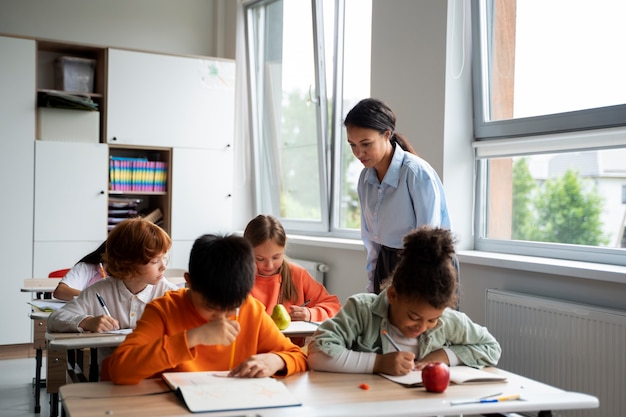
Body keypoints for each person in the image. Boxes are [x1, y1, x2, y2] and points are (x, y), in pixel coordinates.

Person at [105, 234, 308, 385]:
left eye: (231, 309)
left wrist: (276, 360)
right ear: (189, 283)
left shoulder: (251, 309)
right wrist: (192, 337)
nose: (221, 318)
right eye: (210, 307)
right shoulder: (164, 310)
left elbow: (298, 356)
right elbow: (120, 370)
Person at [307, 226, 501, 376]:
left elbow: (491, 348)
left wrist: (443, 357)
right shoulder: (361, 311)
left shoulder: (446, 321)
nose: (423, 326)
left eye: (432, 320)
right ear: (393, 296)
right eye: (413, 316)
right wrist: (378, 363)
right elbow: (317, 353)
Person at [344, 98, 453, 294]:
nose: (359, 152)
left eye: (366, 144)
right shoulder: (365, 178)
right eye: (352, 145)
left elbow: (430, 243)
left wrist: (419, 286)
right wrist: (372, 287)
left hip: (426, 266)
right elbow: (372, 240)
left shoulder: (416, 174)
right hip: (386, 265)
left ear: (387, 134)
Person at [47, 218, 178, 366]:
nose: (163, 266)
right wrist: (87, 322)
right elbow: (55, 319)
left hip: (155, 373)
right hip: (109, 378)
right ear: (129, 262)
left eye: (164, 258)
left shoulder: (170, 294)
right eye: (155, 261)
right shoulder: (100, 291)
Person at [243, 214, 341, 324]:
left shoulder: (298, 275)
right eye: (260, 259)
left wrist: (310, 314)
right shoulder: (238, 280)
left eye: (276, 257)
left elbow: (334, 307)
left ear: (284, 246)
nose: (269, 265)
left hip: (291, 341)